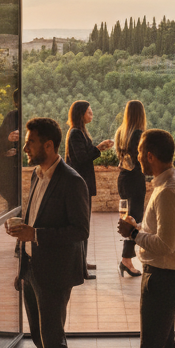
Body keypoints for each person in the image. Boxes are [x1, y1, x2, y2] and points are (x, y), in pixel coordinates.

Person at [7, 117, 89, 348]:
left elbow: (80, 230)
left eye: (30, 142)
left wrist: (36, 234)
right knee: (39, 341)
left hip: (54, 274)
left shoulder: (72, 181)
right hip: (31, 270)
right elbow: (35, 217)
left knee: (53, 342)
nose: (25, 148)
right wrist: (22, 264)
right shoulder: (36, 174)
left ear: (49, 145)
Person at [117, 129, 175, 348]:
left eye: (140, 151)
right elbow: (166, 231)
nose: (137, 156)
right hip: (170, 276)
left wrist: (133, 235)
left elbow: (165, 245)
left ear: (150, 156)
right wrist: (139, 228)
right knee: (166, 347)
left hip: (163, 280)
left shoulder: (168, 191)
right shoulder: (172, 183)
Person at [65, 100, 113, 280]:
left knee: (83, 224)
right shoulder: (76, 133)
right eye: (89, 111)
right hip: (79, 186)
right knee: (81, 225)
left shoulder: (79, 132)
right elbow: (81, 158)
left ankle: (82, 261)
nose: (91, 113)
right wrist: (99, 148)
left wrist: (97, 148)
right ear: (81, 113)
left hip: (82, 185)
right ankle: (80, 266)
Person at [114, 99, 147, 277]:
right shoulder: (138, 134)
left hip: (123, 178)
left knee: (127, 217)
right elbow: (140, 159)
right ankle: (126, 260)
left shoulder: (121, 132)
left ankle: (126, 259)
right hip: (135, 179)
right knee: (134, 219)